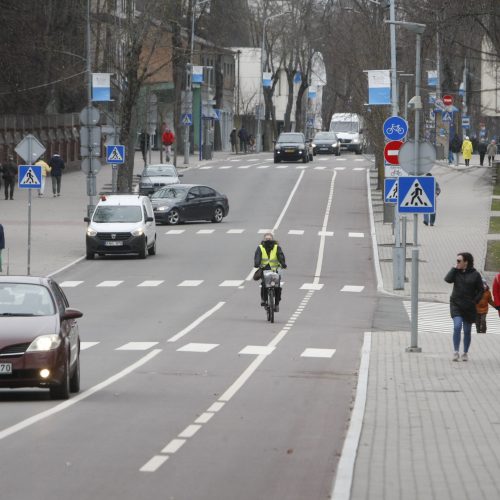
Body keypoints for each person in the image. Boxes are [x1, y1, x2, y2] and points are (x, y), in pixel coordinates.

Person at [444, 252, 484, 361]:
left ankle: (465, 352)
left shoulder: (475, 274)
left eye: (459, 261)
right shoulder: (456, 272)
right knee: (457, 326)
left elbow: (481, 290)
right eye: (456, 260)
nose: (457, 263)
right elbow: (447, 279)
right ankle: (456, 352)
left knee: (467, 330)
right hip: (456, 304)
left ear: (466, 262)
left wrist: (475, 301)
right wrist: (454, 268)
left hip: (469, 306)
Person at [254, 232, 287, 312]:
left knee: (277, 287)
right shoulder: (260, 247)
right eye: (266, 238)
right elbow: (257, 256)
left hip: (275, 270)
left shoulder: (276, 247)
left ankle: (276, 304)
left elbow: (280, 256)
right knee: (264, 284)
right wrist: (257, 264)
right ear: (264, 239)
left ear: (272, 239)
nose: (268, 240)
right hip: (264, 269)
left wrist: (283, 264)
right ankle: (264, 300)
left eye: (269, 238)